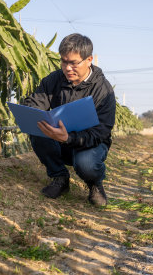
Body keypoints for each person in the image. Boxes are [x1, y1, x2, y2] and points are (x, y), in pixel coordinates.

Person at [22, 33, 116, 206]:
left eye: (73, 63)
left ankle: (94, 183)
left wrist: (69, 138)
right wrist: (31, 112)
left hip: (89, 143)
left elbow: (101, 132)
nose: (67, 68)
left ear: (89, 60)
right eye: (64, 61)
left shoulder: (103, 90)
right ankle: (60, 178)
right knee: (39, 128)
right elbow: (35, 102)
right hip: (59, 139)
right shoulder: (54, 80)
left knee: (86, 163)